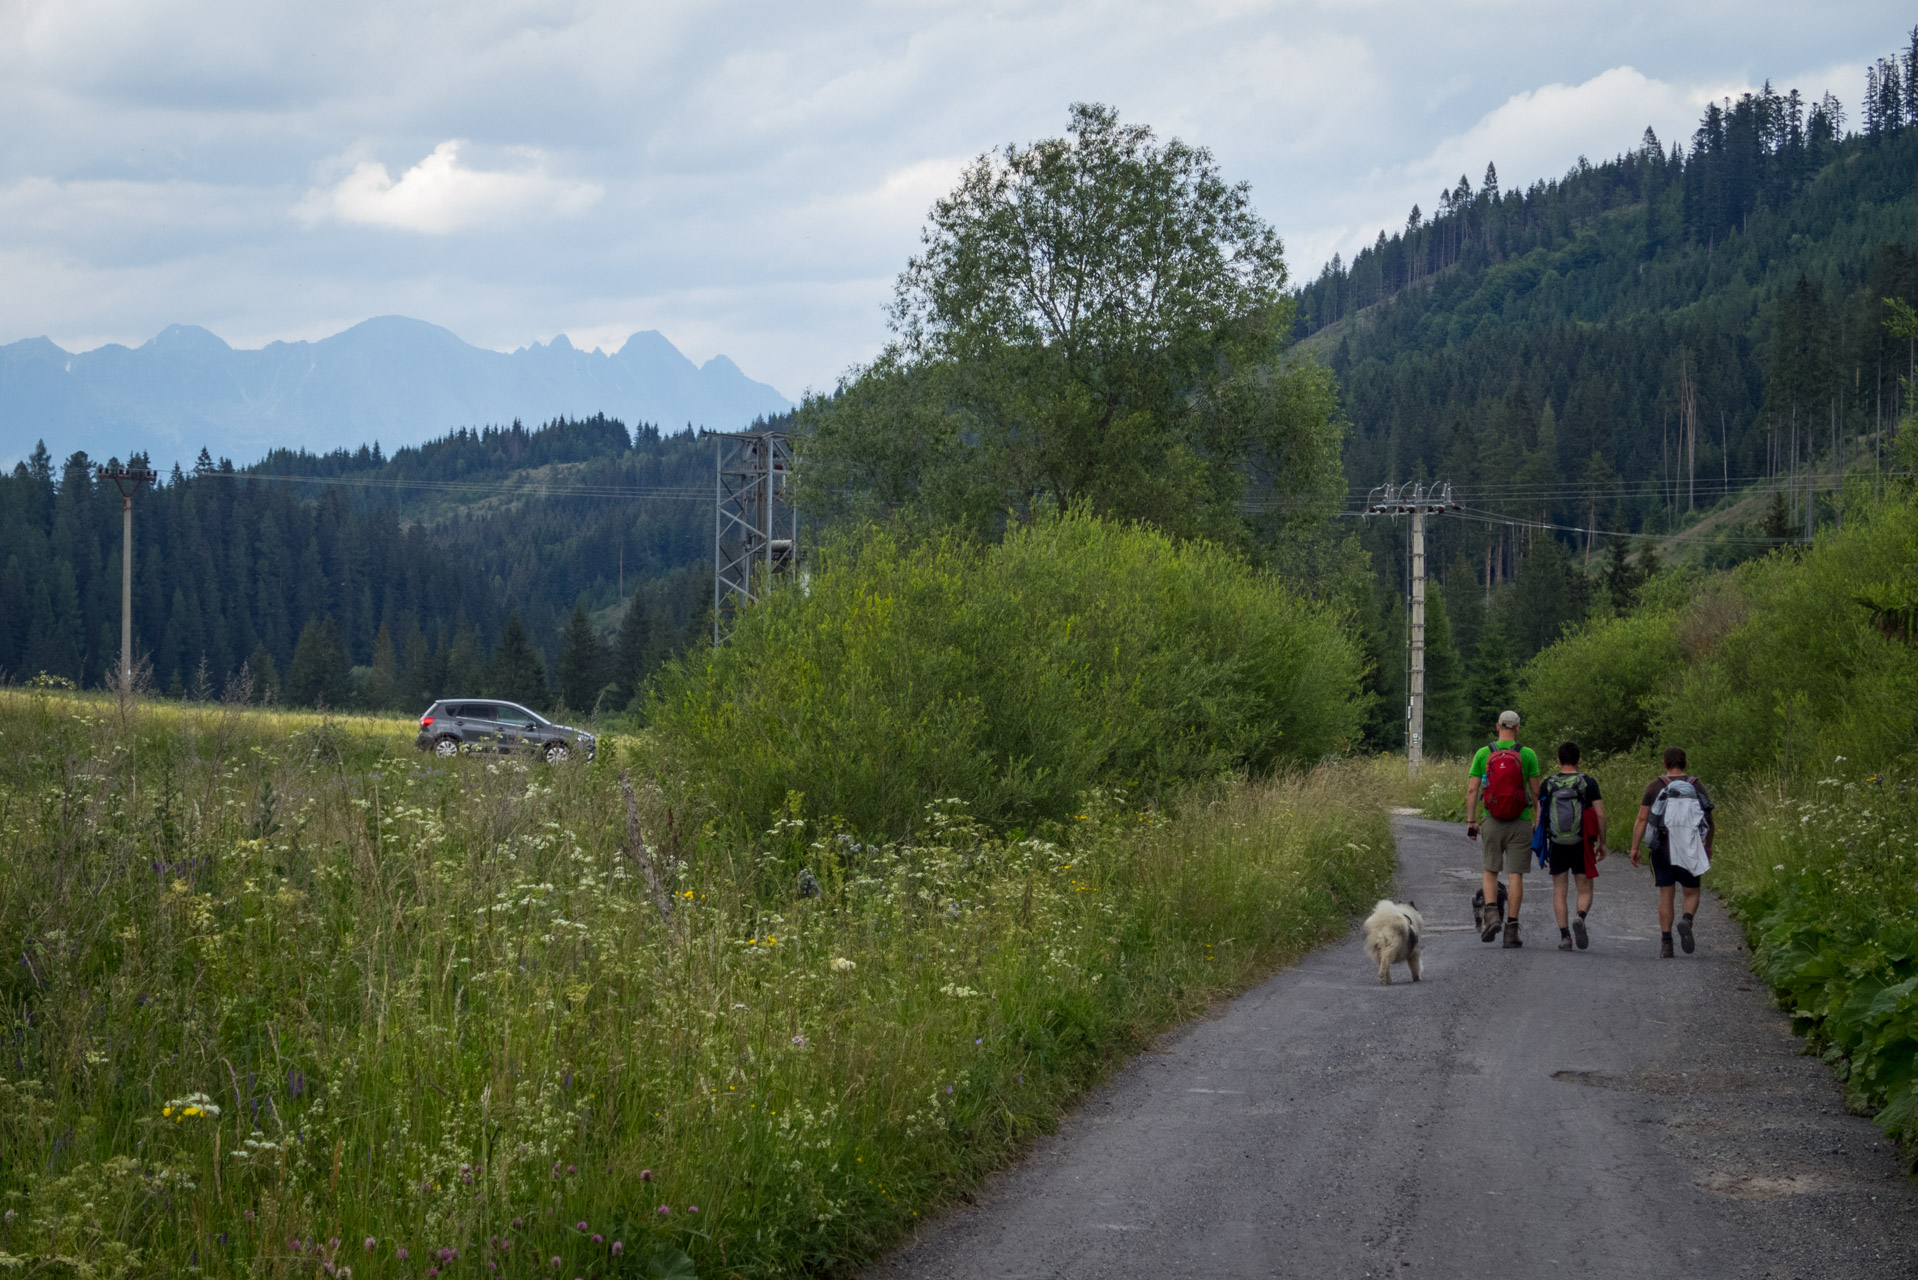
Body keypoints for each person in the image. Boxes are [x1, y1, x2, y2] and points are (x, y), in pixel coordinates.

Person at [1630, 746, 1715, 959]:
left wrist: (1634, 847)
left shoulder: (1655, 786)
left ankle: (1666, 944)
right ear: (1685, 763)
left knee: (1666, 895)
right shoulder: (1696, 786)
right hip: (1690, 846)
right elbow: (1709, 819)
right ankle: (1686, 920)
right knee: (1692, 892)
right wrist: (1708, 845)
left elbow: (1642, 819)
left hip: (1662, 847)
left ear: (1664, 764)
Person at [1466, 710, 1542, 947]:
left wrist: (1471, 821)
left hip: (1492, 819)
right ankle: (1511, 930)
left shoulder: (1483, 753)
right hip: (1520, 821)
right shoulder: (1527, 754)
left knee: (1490, 870)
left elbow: (1472, 790)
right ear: (1518, 728)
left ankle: (1491, 916)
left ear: (1497, 726)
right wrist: (1537, 820)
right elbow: (1536, 792)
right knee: (1515, 875)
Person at [1538, 741, 1606, 951]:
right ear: (1579, 760)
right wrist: (1603, 842)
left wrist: (1542, 846)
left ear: (1558, 760)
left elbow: (1540, 818)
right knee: (1584, 888)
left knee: (1559, 889)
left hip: (1557, 842)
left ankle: (1565, 936)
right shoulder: (1588, 782)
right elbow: (1600, 814)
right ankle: (1580, 916)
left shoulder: (1548, 784)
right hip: (1581, 841)